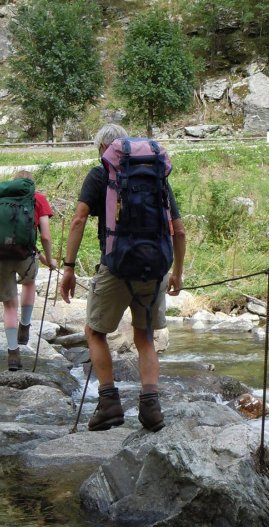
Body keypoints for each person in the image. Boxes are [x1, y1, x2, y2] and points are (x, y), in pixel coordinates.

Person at [59, 124, 186, 433]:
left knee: (94, 331)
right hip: (154, 268)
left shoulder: (101, 173)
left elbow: (77, 220)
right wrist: (177, 272)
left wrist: (69, 267)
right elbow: (178, 229)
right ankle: (151, 408)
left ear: (104, 149)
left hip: (116, 268)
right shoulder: (156, 175)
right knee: (144, 337)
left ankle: (109, 404)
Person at [0, 170, 57, 371]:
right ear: (31, 185)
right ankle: (25, 327)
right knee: (28, 283)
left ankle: (12, 354)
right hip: (26, 256)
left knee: (9, 306)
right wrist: (50, 259)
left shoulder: (0, 199)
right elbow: (45, 236)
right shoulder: (37, 198)